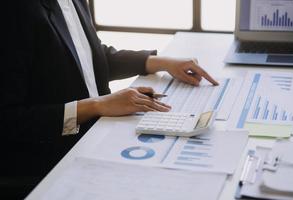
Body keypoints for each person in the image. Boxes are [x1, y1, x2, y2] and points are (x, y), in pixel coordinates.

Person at [0, 0, 218, 198]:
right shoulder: (13, 10)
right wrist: (98, 105)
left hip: (96, 132)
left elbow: (88, 56)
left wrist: (160, 62)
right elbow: (8, 120)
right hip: (50, 160)